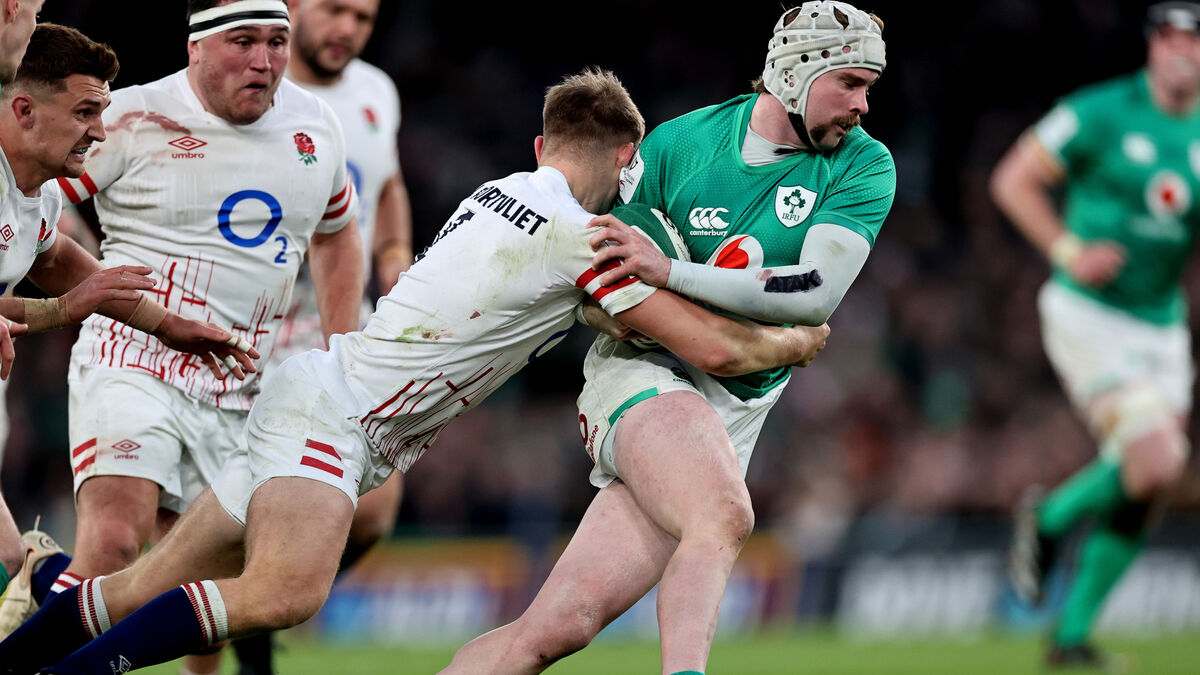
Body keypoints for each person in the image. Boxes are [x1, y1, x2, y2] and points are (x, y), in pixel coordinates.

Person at [0, 66, 831, 675]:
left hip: (318, 389)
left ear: (541, 145)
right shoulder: (583, 239)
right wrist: (794, 340)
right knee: (284, 593)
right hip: (340, 421)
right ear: (629, 158)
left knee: (138, 584)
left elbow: (590, 310)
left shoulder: (500, 192)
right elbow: (714, 351)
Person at [443, 3, 893, 674]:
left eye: (868, 87)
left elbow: (814, 291)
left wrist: (672, 272)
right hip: (643, 373)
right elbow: (601, 283)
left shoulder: (865, 166)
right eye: (849, 83)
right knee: (723, 514)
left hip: (736, 409)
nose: (862, 105)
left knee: (553, 630)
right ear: (794, 73)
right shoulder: (679, 144)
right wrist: (632, 299)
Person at [0, 0, 365, 649]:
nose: (265, 60)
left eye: (277, 41)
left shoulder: (317, 126)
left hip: (236, 373)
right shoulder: (132, 117)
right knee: (115, 542)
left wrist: (339, 354)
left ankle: (33, 601)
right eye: (244, 41)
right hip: (130, 358)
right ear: (197, 46)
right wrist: (74, 304)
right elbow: (39, 207)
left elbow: (48, 245)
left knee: (187, 584)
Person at [0, 19, 263, 634]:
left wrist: (168, 325)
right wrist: (66, 310)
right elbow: (65, 291)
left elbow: (56, 259)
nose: (99, 131)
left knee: (13, 563)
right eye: (85, 112)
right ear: (25, 110)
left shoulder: (40, 195)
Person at [991, 1, 1200, 668]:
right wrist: (1068, 249)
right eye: (1169, 36)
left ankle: (1071, 638)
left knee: (1150, 480)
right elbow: (1012, 180)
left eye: (1194, 39)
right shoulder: (1098, 111)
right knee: (1157, 458)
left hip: (1162, 323)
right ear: (1152, 45)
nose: (1182, 50)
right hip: (1090, 314)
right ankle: (1049, 518)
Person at [226, 0, 412, 671]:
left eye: (364, 19)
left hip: (335, 319)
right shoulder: (247, 87)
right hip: (245, 323)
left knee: (376, 506)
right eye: (335, 10)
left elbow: (386, 182)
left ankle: (259, 605)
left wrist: (393, 251)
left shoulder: (376, 91)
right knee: (216, 511)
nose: (348, 31)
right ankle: (241, 619)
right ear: (296, 6)